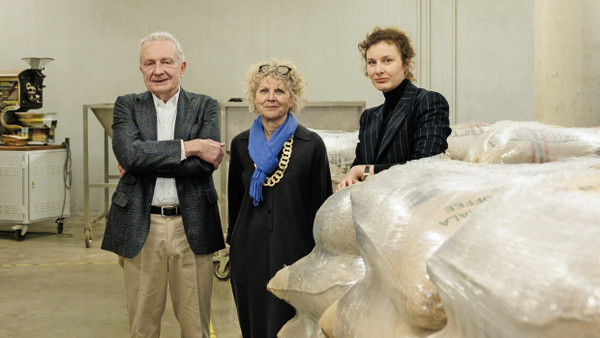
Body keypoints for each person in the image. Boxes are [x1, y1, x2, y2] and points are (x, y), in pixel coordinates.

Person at [101, 31, 225, 338]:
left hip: (191, 224)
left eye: (167, 61)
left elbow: (202, 168)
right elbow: (130, 155)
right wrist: (192, 146)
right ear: (141, 69)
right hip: (142, 225)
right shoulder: (126, 106)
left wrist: (145, 160)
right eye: (150, 63)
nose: (159, 70)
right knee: (142, 325)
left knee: (196, 326)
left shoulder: (205, 106)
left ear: (182, 67)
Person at [226, 59, 333, 337]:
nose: (271, 97)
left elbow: (322, 205)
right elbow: (235, 202)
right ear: (253, 97)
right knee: (253, 322)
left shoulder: (310, 145)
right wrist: (233, 244)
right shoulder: (240, 145)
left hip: (296, 251)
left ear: (292, 98)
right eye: (263, 91)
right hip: (249, 252)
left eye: (280, 91)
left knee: (291, 325)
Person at [337, 27, 451, 190]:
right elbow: (357, 171)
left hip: (412, 206)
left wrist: (367, 171)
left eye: (387, 60)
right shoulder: (369, 116)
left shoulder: (428, 101)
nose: (378, 70)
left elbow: (426, 166)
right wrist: (348, 181)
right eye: (372, 62)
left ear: (406, 62)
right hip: (372, 208)